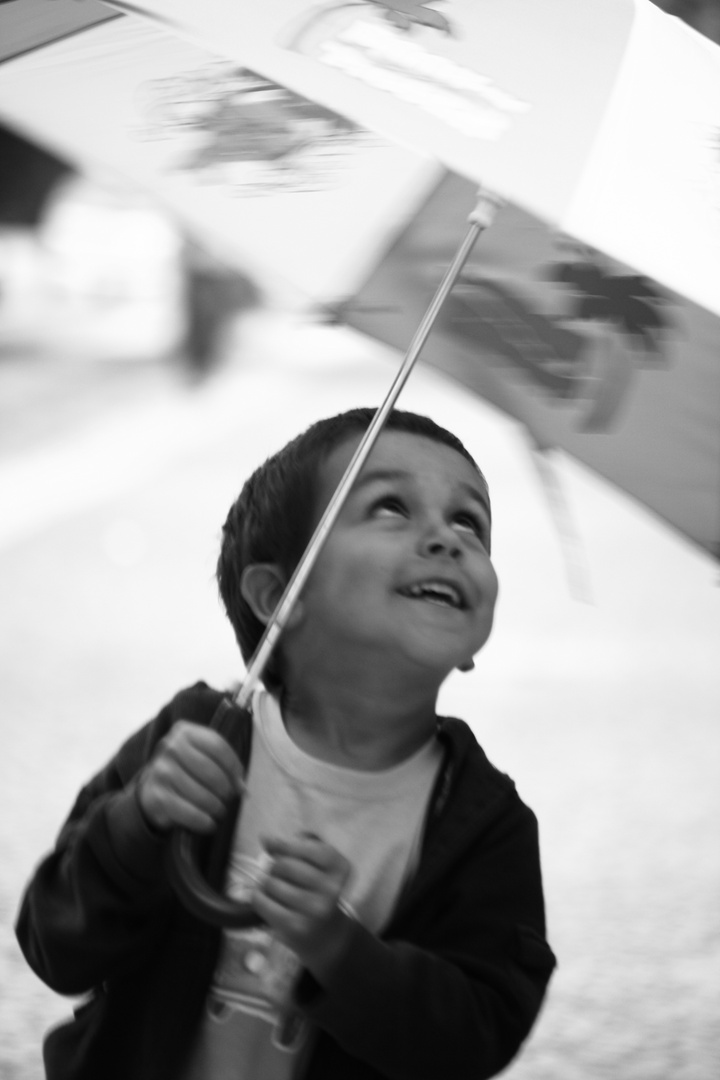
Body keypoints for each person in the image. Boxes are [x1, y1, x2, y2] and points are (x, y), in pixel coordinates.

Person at [16, 406, 556, 1080]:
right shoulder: (193, 741)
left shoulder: (482, 822)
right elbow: (56, 944)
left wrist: (341, 951)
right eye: (391, 507)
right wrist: (137, 825)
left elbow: (474, 1038)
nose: (446, 539)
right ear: (278, 596)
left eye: (469, 521)